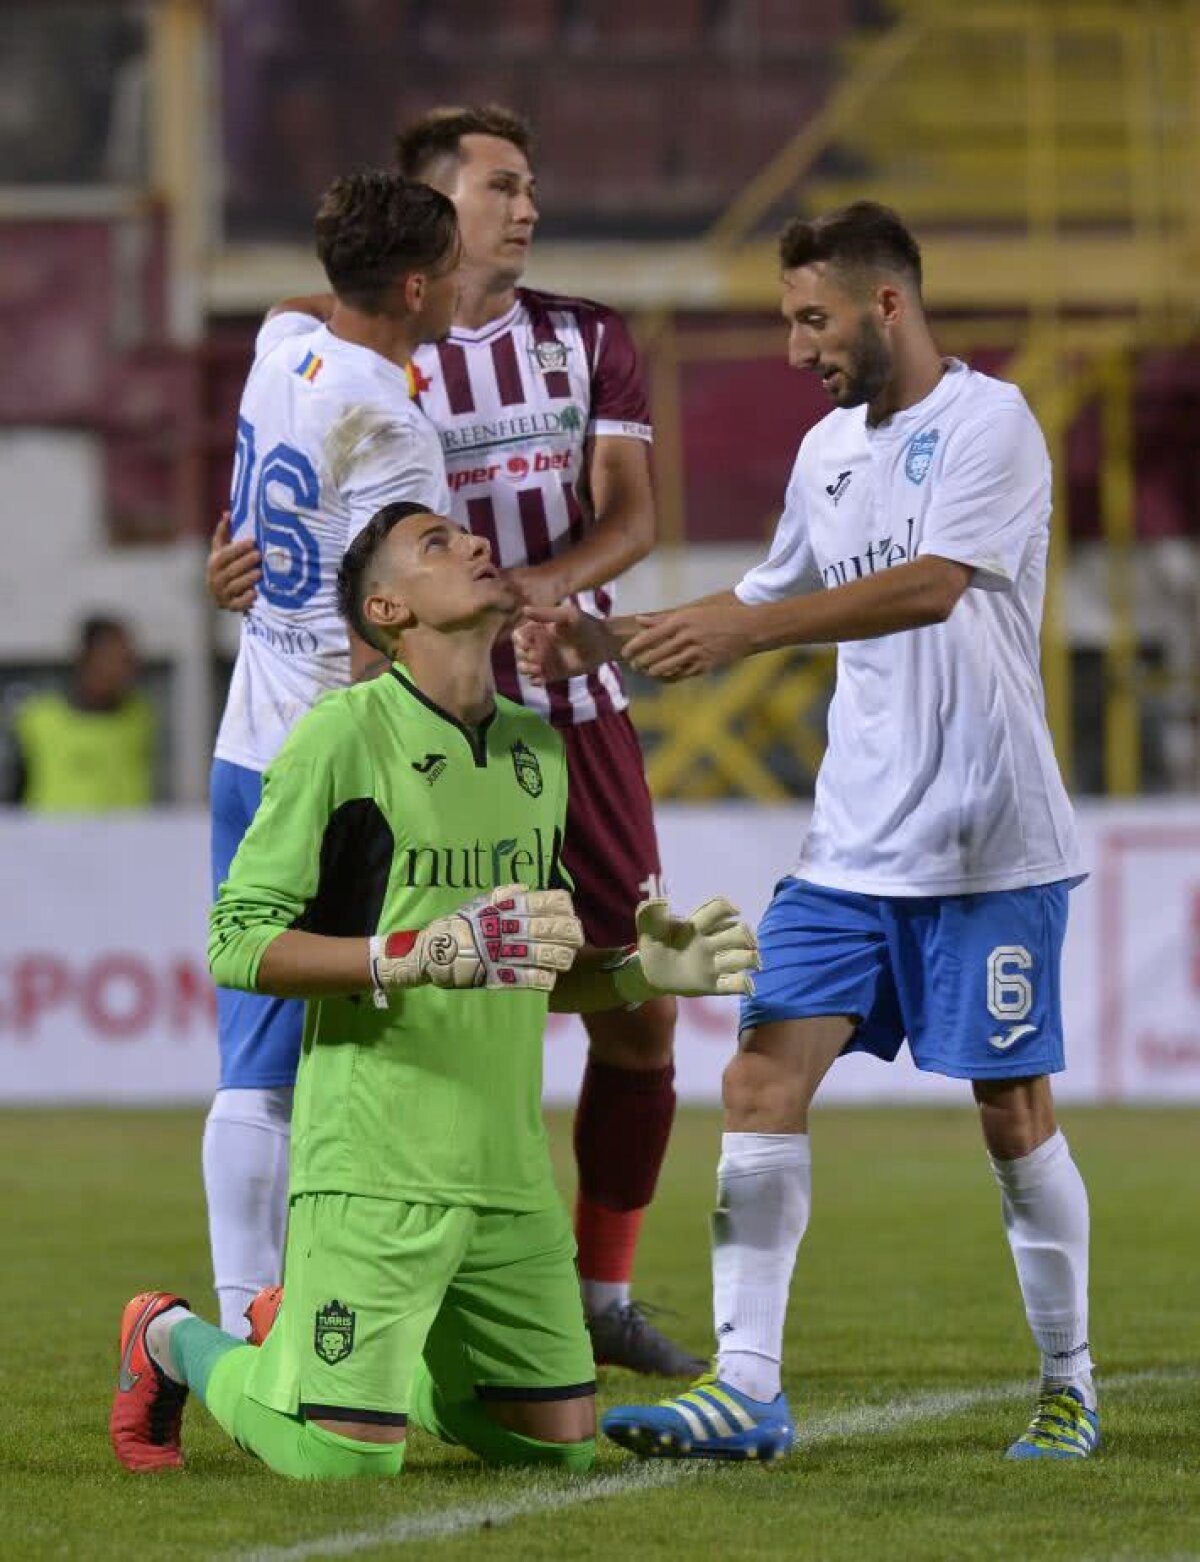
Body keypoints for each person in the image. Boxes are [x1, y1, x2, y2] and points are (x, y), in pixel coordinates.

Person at [515, 202, 1099, 1463]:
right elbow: (767, 594)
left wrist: (747, 636)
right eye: (790, 319)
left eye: (811, 317)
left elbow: (932, 585)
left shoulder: (991, 425)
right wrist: (610, 634)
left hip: (986, 843)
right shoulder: (828, 449)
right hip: (848, 850)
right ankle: (747, 1384)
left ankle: (1069, 1378)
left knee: (1011, 1108)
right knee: (758, 1080)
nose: (795, 346)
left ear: (887, 304)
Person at [110, 501, 759, 1480]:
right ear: (387, 607)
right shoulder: (341, 737)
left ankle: (363, 1367)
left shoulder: (538, 754)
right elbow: (237, 941)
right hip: (373, 1162)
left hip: (506, 1169)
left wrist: (634, 973)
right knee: (340, 1460)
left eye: (469, 534)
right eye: (438, 544)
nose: (476, 546)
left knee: (561, 1451)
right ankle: (169, 1338)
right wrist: (409, 952)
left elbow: (517, 965)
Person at [209, 104, 698, 1376]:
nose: (527, 210)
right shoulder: (371, 367)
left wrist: (537, 594)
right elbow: (307, 515)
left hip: (567, 720)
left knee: (634, 1017)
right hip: (414, 720)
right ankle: (420, 1302)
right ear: (434, 219)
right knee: (440, 995)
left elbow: (634, 518)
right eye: (501, 189)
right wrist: (251, 565)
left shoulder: (583, 339)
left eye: (532, 187)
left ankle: (596, 1292)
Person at [203, 168, 458, 1337]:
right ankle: (273, 1310)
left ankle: (256, 1300)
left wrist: (235, 567)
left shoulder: (279, 349)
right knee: (358, 1035)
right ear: (413, 283)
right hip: (327, 759)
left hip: (244, 737)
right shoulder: (394, 429)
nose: (455, 290)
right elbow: (386, 628)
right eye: (444, 271)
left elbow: (291, 322)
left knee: (257, 1046)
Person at [4, 616, 154, 810]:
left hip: (132, 838)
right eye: (112, 658)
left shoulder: (141, 716)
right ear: (86, 658)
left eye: (128, 659)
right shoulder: (38, 719)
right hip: (52, 838)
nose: (124, 670)